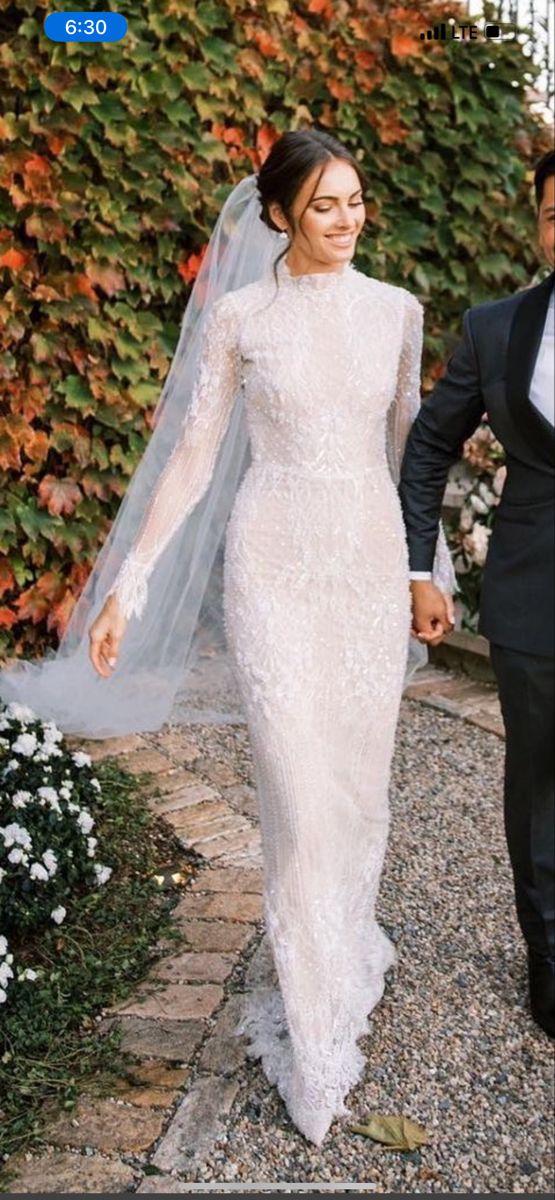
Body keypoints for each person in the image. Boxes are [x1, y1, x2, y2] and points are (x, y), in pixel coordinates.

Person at [0, 129, 455, 1143]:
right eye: (326, 204)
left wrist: (427, 576)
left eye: (357, 200)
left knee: (355, 784)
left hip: (366, 561)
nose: (347, 219)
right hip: (273, 564)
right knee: (294, 788)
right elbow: (194, 459)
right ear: (283, 213)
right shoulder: (242, 318)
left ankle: (344, 945)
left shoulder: (398, 314)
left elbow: (408, 455)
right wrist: (129, 585)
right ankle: (315, 1027)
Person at [399, 149, 555, 1040]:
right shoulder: (494, 329)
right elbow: (427, 449)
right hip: (535, 595)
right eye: (550, 214)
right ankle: (548, 955)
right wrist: (418, 570)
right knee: (538, 783)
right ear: (534, 224)